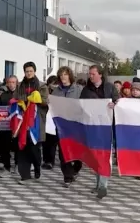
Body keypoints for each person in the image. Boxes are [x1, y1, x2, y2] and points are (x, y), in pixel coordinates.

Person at [80, 65, 118, 198]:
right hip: (92, 127)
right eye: (89, 74)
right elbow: (81, 106)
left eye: (93, 74)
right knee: (95, 155)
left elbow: (118, 101)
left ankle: (103, 185)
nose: (90, 76)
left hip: (106, 127)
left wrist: (115, 104)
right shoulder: (86, 90)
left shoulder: (110, 87)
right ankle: (98, 184)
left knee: (104, 155)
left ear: (100, 74)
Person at [14, 62, 49, 184]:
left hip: (35, 120)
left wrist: (37, 100)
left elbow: (45, 102)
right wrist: (20, 102)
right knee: (23, 147)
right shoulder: (20, 85)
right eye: (27, 71)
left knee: (34, 148)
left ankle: (37, 166)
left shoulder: (42, 85)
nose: (29, 73)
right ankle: (25, 175)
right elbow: (16, 98)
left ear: (34, 71)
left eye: (31, 71)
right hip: (23, 119)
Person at [50, 66, 83, 187]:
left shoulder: (79, 90)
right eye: (61, 75)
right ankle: (67, 176)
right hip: (61, 126)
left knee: (77, 150)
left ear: (70, 76)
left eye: (65, 74)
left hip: (76, 124)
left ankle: (76, 167)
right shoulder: (56, 91)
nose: (63, 77)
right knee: (63, 151)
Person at [0, 75, 18, 175]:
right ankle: (6, 167)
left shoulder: (21, 94)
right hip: (6, 124)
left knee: (18, 146)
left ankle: (18, 165)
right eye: (9, 82)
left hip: (18, 124)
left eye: (13, 82)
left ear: (17, 83)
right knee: (5, 146)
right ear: (7, 83)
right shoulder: (3, 95)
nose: (11, 84)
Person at [41, 75, 59, 169]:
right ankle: (45, 159)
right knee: (45, 142)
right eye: (52, 84)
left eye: (56, 84)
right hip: (45, 119)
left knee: (53, 142)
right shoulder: (44, 92)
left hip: (55, 120)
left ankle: (50, 161)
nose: (54, 86)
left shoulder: (59, 93)